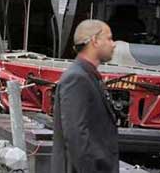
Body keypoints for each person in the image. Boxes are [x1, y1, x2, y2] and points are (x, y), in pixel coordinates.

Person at [51, 19, 119, 173]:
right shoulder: (77, 78)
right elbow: (76, 134)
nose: (113, 44)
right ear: (94, 40)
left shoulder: (88, 76)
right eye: (109, 38)